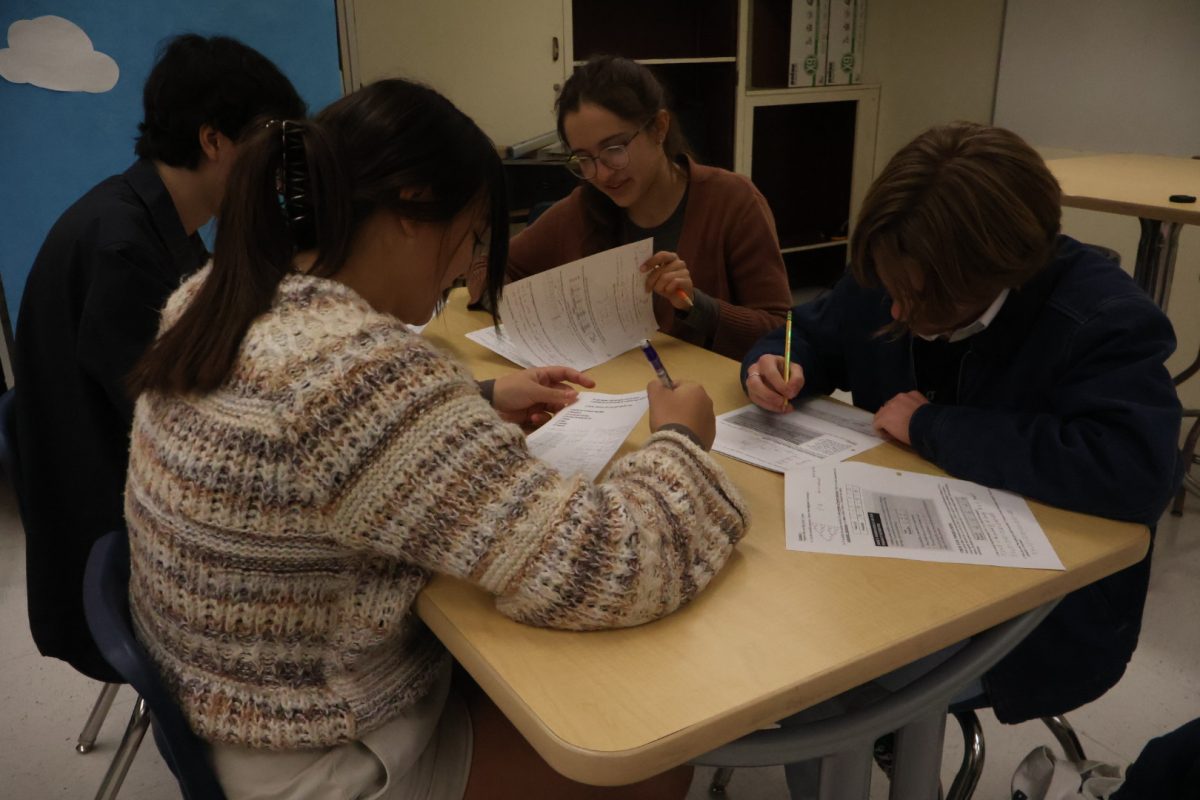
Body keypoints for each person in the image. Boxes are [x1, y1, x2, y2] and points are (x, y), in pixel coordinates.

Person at [124, 78, 747, 799]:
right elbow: (613, 563)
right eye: (473, 234)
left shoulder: (212, 295)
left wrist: (474, 399)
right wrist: (679, 442)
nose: (465, 268)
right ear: (411, 212)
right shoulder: (354, 372)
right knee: (651, 755)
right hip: (320, 754)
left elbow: (314, 444)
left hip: (230, 706)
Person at [742, 122, 1181, 771]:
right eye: (888, 287)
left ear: (1000, 270)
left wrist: (935, 427)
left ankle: (868, 751)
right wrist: (776, 364)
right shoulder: (903, 265)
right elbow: (810, 331)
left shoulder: (1102, 317)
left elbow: (1135, 467)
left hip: (1031, 611)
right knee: (776, 627)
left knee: (821, 685)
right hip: (890, 567)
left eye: (917, 300)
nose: (892, 311)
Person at [13, 34, 305, 682]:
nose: (280, 171)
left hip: (126, 518)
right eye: (270, 144)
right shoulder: (123, 250)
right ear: (213, 140)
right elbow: (202, 431)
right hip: (123, 559)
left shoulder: (146, 221)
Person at [469, 55, 791, 361]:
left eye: (615, 148)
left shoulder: (732, 201)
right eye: (584, 158)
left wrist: (696, 305)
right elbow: (487, 268)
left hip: (706, 399)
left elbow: (781, 332)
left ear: (659, 128)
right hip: (607, 391)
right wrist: (528, 313)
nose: (603, 173)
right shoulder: (583, 208)